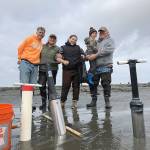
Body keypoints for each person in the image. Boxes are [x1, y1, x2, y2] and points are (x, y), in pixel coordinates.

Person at [86, 26, 115, 109]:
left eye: (103, 32)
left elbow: (109, 50)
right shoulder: (96, 42)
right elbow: (90, 49)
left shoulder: (110, 40)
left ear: (107, 32)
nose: (101, 33)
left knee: (106, 84)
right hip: (95, 67)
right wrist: (86, 56)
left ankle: (107, 102)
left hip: (106, 66)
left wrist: (95, 55)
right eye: (100, 32)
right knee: (92, 84)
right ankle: (93, 101)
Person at [58, 35, 85, 109]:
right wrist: (63, 61)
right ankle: (62, 103)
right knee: (65, 86)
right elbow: (58, 56)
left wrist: (83, 56)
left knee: (76, 87)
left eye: (75, 40)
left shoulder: (78, 47)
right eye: (72, 39)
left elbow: (83, 54)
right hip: (67, 70)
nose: (74, 41)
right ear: (69, 38)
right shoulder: (63, 47)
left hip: (77, 70)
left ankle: (75, 103)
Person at [38, 34, 61, 111]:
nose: (52, 39)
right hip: (42, 69)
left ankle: (50, 104)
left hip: (53, 70)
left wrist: (60, 58)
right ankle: (43, 103)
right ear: (48, 38)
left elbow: (60, 57)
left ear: (56, 40)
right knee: (42, 86)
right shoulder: (42, 46)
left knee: (51, 87)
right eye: (51, 38)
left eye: (54, 38)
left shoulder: (58, 48)